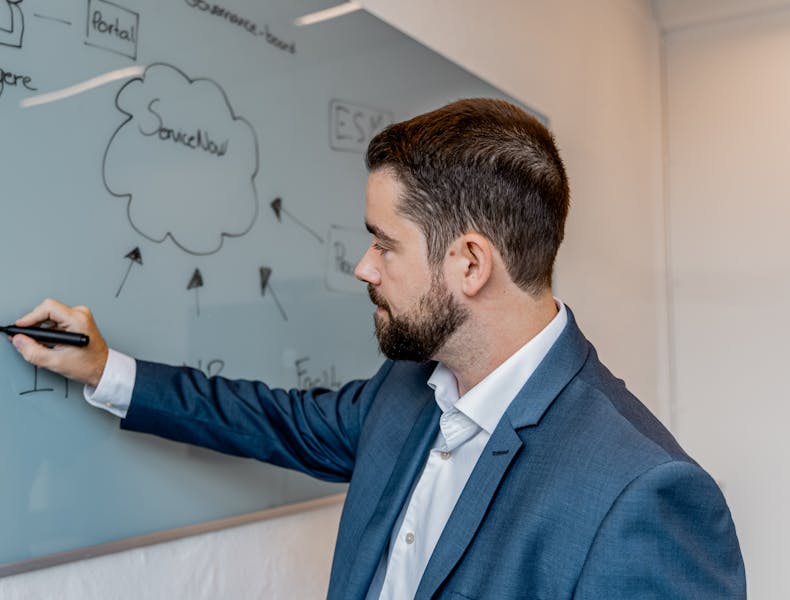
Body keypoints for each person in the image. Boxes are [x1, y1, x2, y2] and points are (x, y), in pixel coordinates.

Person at [10, 98, 745, 599]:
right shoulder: (404, 393)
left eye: (384, 244)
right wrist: (104, 368)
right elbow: (273, 419)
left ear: (469, 263)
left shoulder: (642, 495)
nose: (364, 267)